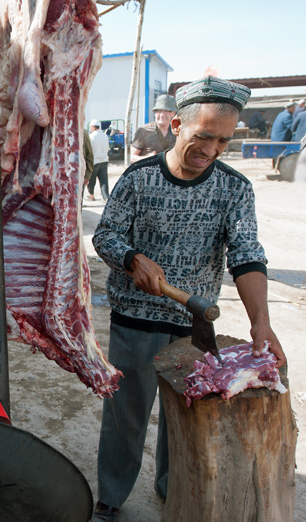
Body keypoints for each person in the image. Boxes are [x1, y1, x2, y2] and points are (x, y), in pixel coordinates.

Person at [90, 76, 285, 522]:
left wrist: (261, 323)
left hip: (192, 328)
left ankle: (172, 488)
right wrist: (132, 259)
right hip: (135, 320)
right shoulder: (139, 179)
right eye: (203, 136)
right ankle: (112, 497)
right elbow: (106, 235)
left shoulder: (235, 189)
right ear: (176, 124)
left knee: (184, 417)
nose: (212, 150)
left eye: (223, 141)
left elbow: (248, 255)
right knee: (126, 415)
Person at [129, 94, 177, 164]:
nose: (162, 115)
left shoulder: (176, 131)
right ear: (154, 113)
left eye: (167, 111)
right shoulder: (143, 131)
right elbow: (131, 157)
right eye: (159, 111)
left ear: (173, 113)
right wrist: (148, 158)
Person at [88, 119, 110, 201]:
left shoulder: (91, 136)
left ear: (93, 127)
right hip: (104, 160)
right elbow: (107, 148)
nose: (90, 129)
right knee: (104, 180)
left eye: (90, 127)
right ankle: (106, 197)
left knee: (91, 180)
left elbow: (90, 150)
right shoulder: (104, 136)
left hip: (95, 161)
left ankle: (91, 196)